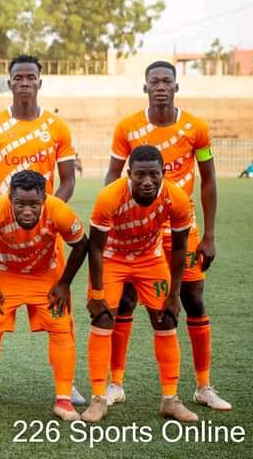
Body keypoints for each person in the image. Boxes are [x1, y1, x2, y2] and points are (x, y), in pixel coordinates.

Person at [104, 61, 230, 411]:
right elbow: (113, 176)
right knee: (126, 302)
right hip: (138, 230)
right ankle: (115, 383)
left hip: (182, 229)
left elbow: (208, 179)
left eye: (167, 81)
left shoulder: (197, 128)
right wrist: (116, 222)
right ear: (145, 87)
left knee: (193, 300)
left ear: (176, 87)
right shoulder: (127, 127)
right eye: (154, 81)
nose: (161, 86)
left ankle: (203, 386)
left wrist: (210, 234)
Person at [0, 53, 83, 405]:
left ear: (39, 82)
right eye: (18, 77)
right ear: (9, 82)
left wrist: (47, 215)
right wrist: (1, 214)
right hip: (4, 237)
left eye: (30, 77)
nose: (24, 82)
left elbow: (67, 179)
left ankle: (67, 385)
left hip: (46, 237)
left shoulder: (57, 127)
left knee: (60, 314)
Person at [83, 145, 197, 423]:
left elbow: (179, 248)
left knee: (166, 319)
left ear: (163, 173)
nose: (147, 181)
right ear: (129, 174)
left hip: (150, 259)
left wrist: (174, 294)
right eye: (140, 175)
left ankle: (170, 400)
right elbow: (95, 248)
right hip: (112, 258)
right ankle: (98, 399)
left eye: (153, 174)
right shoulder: (109, 196)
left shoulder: (176, 198)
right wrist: (96, 292)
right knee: (103, 318)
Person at [0, 170, 88, 421]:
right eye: (20, 204)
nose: (27, 211)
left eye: (34, 204)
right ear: (10, 198)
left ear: (44, 199)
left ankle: (64, 400)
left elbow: (81, 244)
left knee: (60, 329)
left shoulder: (59, 210)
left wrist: (64, 284)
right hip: (4, 272)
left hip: (44, 273)